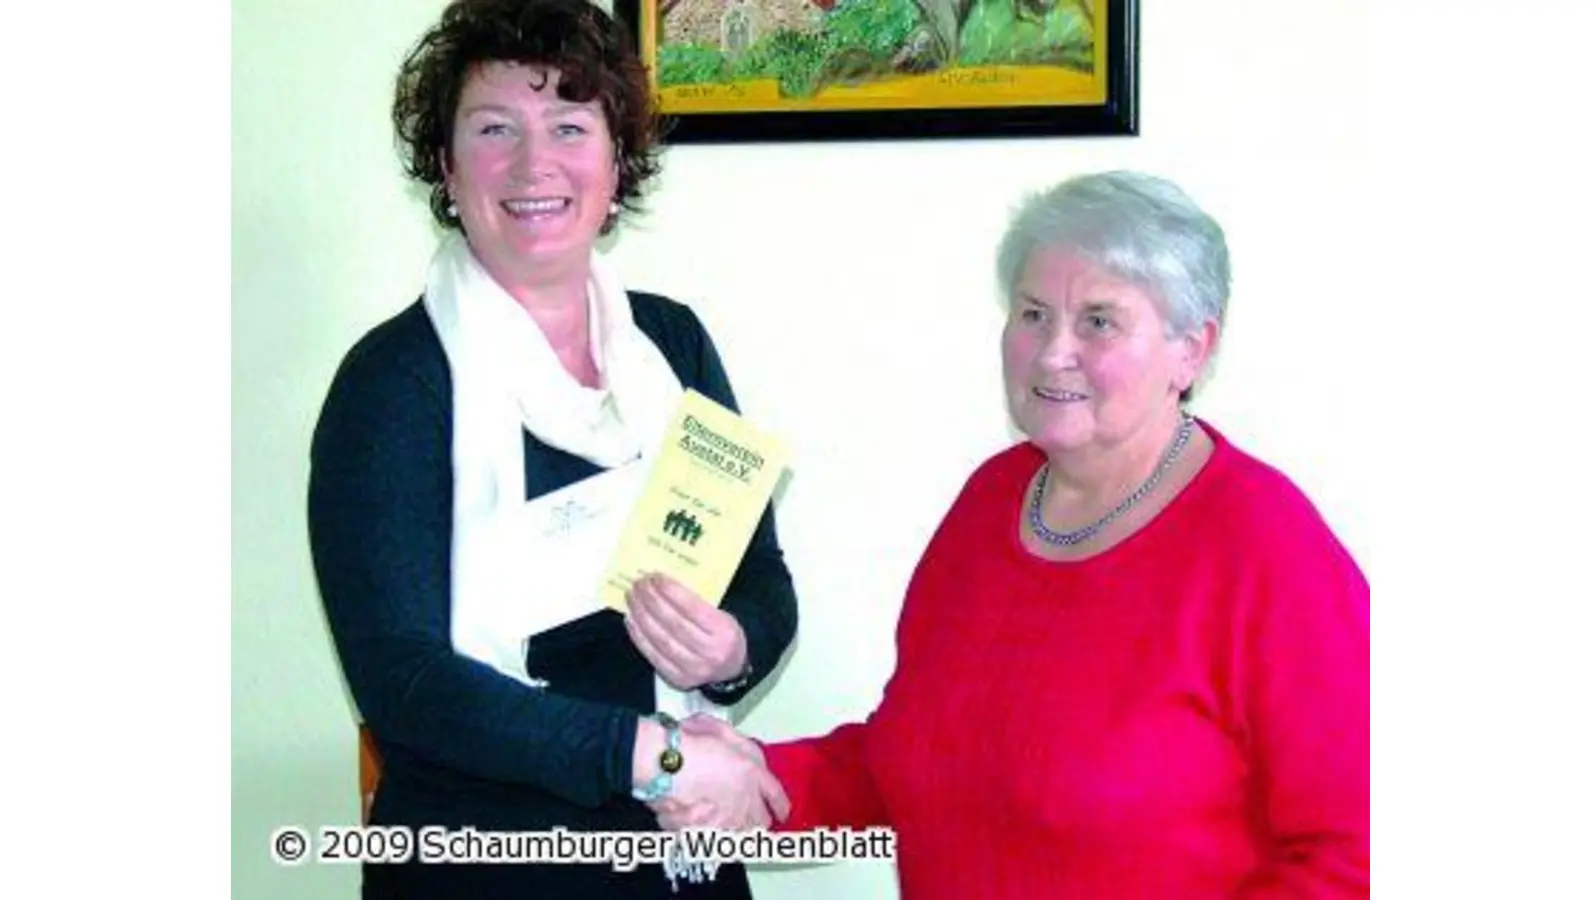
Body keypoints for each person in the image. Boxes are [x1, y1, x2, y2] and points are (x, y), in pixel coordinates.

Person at [661, 171, 1370, 898]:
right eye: (1033, 313)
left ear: (1192, 349)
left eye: (1099, 320)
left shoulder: (1269, 551)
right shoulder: (992, 502)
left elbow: (1355, 857)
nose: (1053, 350)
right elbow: (915, 764)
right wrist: (746, 781)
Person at [307, 0, 796, 896]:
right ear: (448, 167)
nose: (535, 166)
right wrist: (652, 757)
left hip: (679, 857)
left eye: (570, 126)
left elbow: (761, 579)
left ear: (617, 161)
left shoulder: (673, 346)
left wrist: (730, 650)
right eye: (495, 128)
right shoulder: (393, 387)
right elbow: (405, 686)